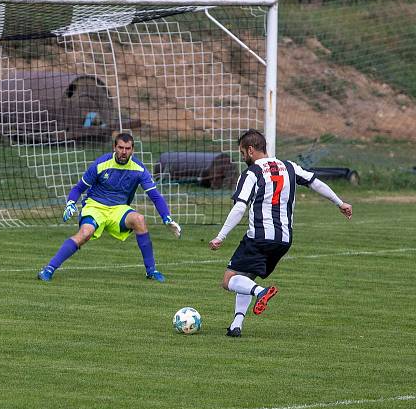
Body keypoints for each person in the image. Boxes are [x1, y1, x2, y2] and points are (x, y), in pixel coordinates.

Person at [209, 129, 352, 337]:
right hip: (284, 240)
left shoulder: (251, 173)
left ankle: (261, 292)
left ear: (250, 150)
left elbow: (240, 207)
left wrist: (220, 237)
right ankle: (236, 325)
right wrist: (340, 202)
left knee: (229, 279)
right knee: (247, 276)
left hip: (259, 237)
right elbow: (315, 182)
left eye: (242, 154)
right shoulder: (290, 167)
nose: (242, 159)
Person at [37, 132, 182, 282]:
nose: (123, 152)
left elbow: (155, 196)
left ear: (133, 150)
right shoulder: (100, 164)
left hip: (118, 209)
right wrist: (70, 203)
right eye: (120, 147)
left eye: (127, 148)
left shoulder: (139, 169)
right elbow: (78, 188)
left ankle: (151, 271)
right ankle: (48, 269)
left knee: (139, 219)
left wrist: (167, 218)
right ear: (114, 147)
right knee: (85, 233)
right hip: (95, 206)